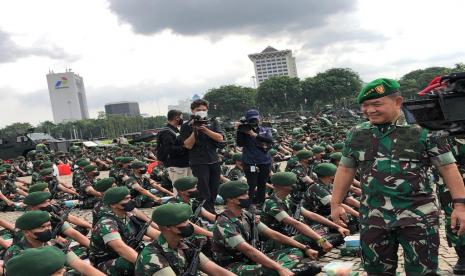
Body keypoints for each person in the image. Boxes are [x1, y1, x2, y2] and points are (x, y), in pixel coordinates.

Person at [331, 78, 465, 275]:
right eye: (365, 105)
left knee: (423, 271)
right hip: (373, 218)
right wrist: (335, 203)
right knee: (376, 271)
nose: (370, 110)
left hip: (418, 217)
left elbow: (448, 169)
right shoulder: (357, 133)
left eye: (377, 104)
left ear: (398, 102)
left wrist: (460, 206)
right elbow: (345, 169)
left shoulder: (424, 130)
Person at [212, 181, 321, 276]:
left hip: (251, 258)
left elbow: (272, 234)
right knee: (271, 270)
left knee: (296, 252)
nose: (248, 196)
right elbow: (247, 250)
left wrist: (305, 248)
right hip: (233, 266)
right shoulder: (223, 223)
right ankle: (289, 271)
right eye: (244, 195)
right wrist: (279, 268)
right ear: (231, 199)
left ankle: (286, 271)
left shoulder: (246, 215)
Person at [135, 202, 234, 275]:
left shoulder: (185, 245)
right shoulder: (153, 256)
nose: (189, 225)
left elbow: (216, 270)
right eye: (183, 221)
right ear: (167, 227)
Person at [89, 186, 159, 275]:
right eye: (126, 199)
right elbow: (120, 248)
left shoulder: (129, 216)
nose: (130, 201)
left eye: (130, 198)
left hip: (126, 255)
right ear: (113, 204)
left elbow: (154, 233)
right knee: (141, 264)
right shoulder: (107, 223)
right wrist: (146, 263)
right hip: (105, 263)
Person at [180, 99, 225, 213]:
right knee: (203, 191)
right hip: (198, 162)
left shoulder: (213, 122)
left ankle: (210, 210)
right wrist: (195, 131)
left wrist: (205, 129)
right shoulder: (186, 126)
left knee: (214, 188)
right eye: (198, 110)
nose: (201, 112)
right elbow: (188, 145)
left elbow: (220, 138)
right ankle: (207, 213)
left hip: (214, 160)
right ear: (192, 111)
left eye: (204, 110)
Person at [237, 109, 273, 206]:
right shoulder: (244, 130)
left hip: (264, 161)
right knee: (251, 183)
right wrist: (240, 131)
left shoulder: (265, 129)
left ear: (259, 118)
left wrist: (254, 135)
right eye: (251, 120)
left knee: (262, 183)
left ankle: (261, 203)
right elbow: (240, 144)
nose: (254, 122)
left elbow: (270, 140)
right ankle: (249, 204)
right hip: (250, 162)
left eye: (255, 119)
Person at [157, 109, 191, 195]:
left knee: (188, 189)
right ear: (176, 118)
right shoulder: (167, 132)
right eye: (181, 118)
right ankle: (179, 207)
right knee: (179, 190)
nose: (182, 120)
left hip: (182, 163)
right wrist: (184, 147)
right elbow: (169, 149)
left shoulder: (174, 130)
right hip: (175, 165)